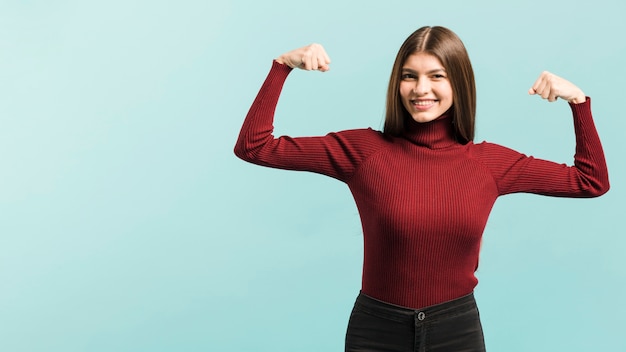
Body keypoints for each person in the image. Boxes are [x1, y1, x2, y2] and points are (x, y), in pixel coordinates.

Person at [234, 26, 609, 352]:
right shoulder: (363, 152)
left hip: (456, 330)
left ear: (458, 84)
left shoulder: (488, 164)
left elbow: (590, 181)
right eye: (409, 76)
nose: (421, 89)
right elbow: (254, 146)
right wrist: (282, 66)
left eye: (437, 76)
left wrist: (578, 102)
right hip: (375, 330)